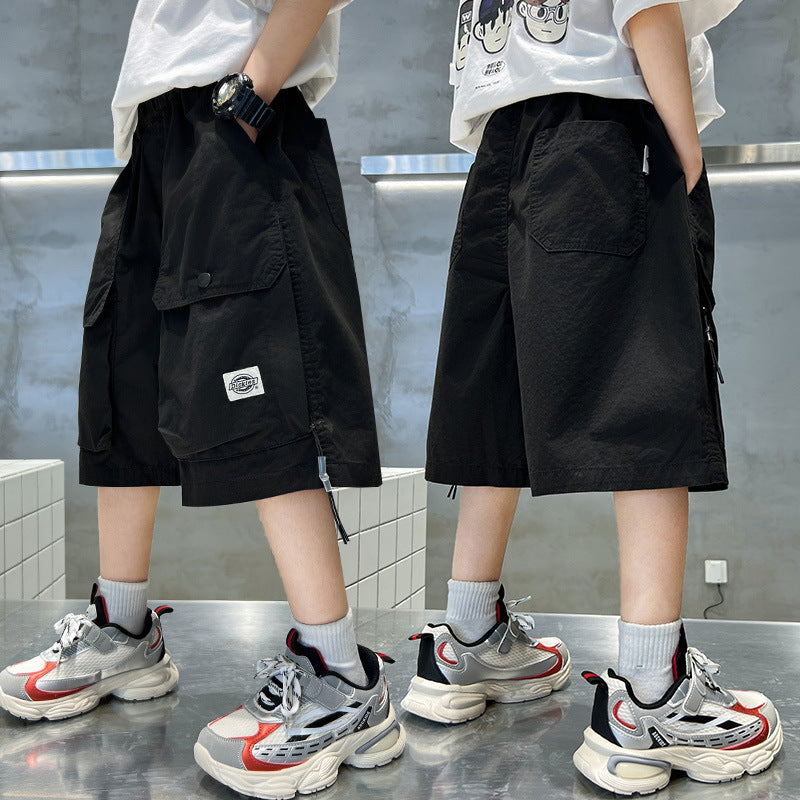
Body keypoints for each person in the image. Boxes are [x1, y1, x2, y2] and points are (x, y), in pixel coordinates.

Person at [0, 1, 405, 797]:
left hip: (233, 116)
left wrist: (248, 99)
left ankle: (342, 678)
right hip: (157, 138)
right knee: (123, 386)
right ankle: (123, 630)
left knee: (263, 388)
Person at [403, 0, 783, 794]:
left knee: (494, 390)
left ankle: (466, 639)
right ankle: (651, 695)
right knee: (646, 392)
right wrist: (683, 149)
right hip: (607, 127)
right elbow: (646, 7)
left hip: (502, 143)